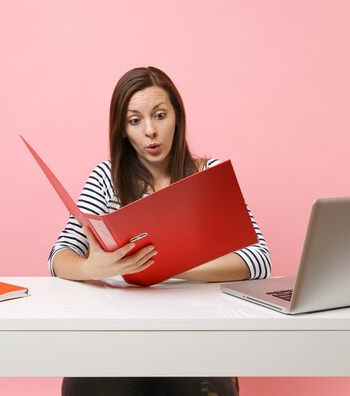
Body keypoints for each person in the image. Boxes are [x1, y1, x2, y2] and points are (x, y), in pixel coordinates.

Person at [49, 66, 271, 396]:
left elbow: (259, 260)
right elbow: (59, 256)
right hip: (116, 342)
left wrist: (173, 266)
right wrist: (89, 268)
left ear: (177, 118)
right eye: (135, 120)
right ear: (122, 129)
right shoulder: (105, 178)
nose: (151, 131)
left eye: (160, 115)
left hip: (193, 339)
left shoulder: (207, 175)